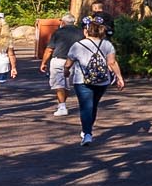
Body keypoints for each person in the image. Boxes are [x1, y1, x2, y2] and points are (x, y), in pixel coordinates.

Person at [65, 13, 124, 144]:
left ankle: (87, 133)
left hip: (82, 80)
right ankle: (87, 129)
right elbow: (112, 63)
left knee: (86, 106)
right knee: (93, 105)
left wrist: (66, 71)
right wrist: (119, 77)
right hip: (102, 80)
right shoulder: (107, 44)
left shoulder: (78, 45)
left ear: (86, 31)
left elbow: (68, 63)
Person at [41, 13, 80, 118]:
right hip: (74, 62)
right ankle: (62, 104)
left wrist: (44, 63)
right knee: (67, 85)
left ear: (63, 22)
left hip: (59, 60)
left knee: (59, 84)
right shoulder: (81, 32)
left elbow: (49, 49)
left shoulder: (58, 32)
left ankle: (62, 106)